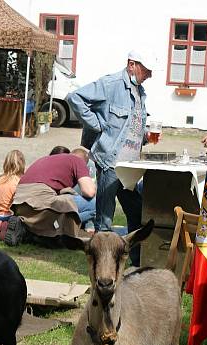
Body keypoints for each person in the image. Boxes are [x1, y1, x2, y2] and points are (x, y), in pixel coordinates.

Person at [68, 49, 159, 265]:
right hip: (110, 162)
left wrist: (145, 137)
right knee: (105, 221)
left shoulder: (140, 92)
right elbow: (75, 98)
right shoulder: (112, 84)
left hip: (128, 167)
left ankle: (135, 265)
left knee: (136, 211)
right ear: (131, 64)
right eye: (146, 69)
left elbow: (130, 128)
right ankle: (101, 268)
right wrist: (98, 125)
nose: (149, 74)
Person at [3, 146, 96, 247]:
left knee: (63, 204)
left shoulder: (46, 159)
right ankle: (60, 231)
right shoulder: (78, 161)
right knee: (97, 204)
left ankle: (28, 230)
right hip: (41, 201)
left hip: (20, 205)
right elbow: (89, 192)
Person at [69, 146, 97, 233]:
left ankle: (88, 222)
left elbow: (91, 190)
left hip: (83, 197)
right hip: (70, 198)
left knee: (95, 202)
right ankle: (71, 221)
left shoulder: (90, 166)